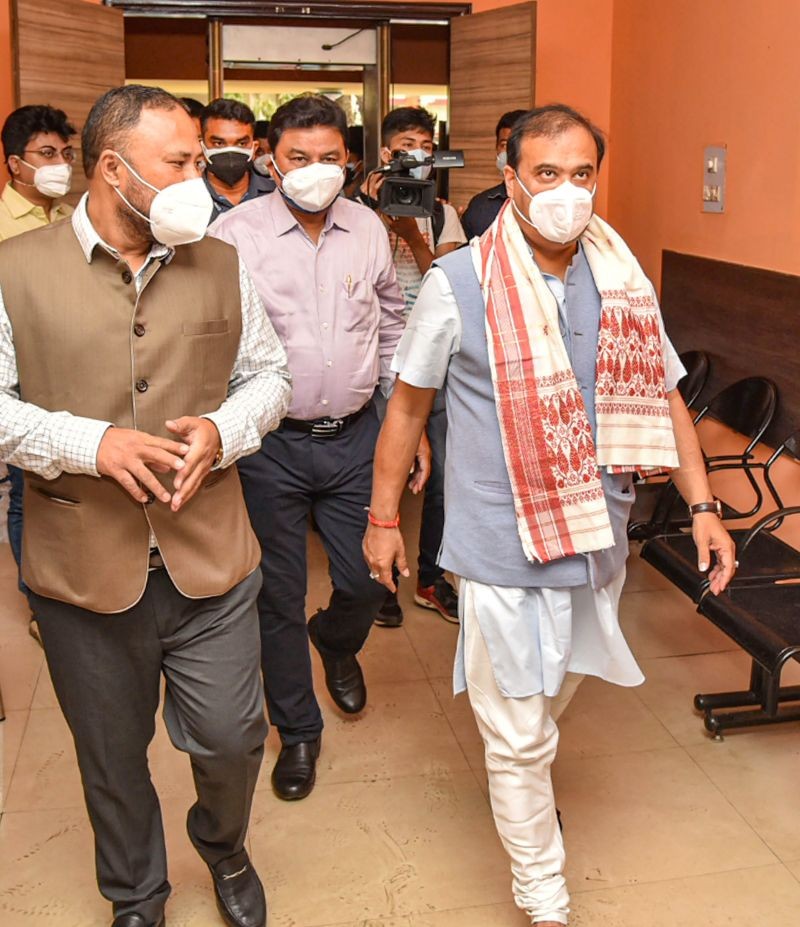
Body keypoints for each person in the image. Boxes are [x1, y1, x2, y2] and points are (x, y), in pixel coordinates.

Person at [364, 104, 737, 927]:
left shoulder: (622, 278)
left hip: (601, 537)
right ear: (510, 181)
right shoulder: (456, 282)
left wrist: (704, 505)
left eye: (581, 175)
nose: (566, 193)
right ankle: (544, 895)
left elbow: (666, 398)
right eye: (546, 174)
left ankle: (518, 760)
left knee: (552, 695)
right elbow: (406, 407)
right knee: (522, 734)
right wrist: (384, 518)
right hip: (501, 539)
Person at [0, 84, 292, 927]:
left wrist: (223, 428)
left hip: (210, 555)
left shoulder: (223, 261)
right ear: (114, 170)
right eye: (183, 162)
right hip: (81, 570)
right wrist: (89, 444)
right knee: (110, 753)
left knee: (236, 737)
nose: (203, 177)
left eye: (202, 158)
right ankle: (136, 891)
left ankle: (223, 841)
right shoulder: (13, 271)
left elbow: (268, 378)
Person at [209, 93, 423, 804]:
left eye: (328, 158)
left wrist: (401, 418)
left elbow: (393, 321)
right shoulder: (234, 235)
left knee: (369, 579)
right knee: (276, 593)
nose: (313, 170)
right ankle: (297, 728)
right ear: (271, 159)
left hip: (358, 437)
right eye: (297, 158)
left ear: (349, 161)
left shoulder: (368, 229)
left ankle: (335, 639)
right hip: (271, 446)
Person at [355, 105, 466, 627]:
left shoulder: (443, 213)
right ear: (386, 153)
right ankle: (380, 577)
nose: (415, 155)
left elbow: (453, 287)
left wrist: (414, 233)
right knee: (383, 469)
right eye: (405, 146)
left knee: (444, 472)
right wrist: (375, 212)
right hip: (377, 353)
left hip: (437, 356)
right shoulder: (355, 212)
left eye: (424, 145)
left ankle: (429, 577)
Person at [0, 103, 77, 644]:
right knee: (29, 492)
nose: (60, 164)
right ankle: (39, 599)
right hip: (21, 376)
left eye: (65, 153)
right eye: (47, 154)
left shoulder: (74, 215)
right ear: (14, 165)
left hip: (74, 367)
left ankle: (80, 582)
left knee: (74, 487)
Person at [201, 98, 275, 219]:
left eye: (241, 144)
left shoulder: (276, 195)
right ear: (202, 147)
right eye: (219, 143)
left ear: (254, 148)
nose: (230, 151)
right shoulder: (186, 199)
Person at [461, 109, 527, 240]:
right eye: (504, 144)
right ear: (496, 148)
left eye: (518, 144)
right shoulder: (480, 205)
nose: (510, 151)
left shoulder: (549, 202)